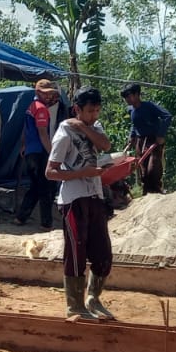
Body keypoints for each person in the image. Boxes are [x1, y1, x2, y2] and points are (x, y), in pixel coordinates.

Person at [46, 86, 115, 321]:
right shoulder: (64, 132)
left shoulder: (93, 127)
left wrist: (85, 127)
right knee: (76, 251)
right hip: (73, 199)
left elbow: (105, 145)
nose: (94, 115)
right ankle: (74, 305)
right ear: (77, 109)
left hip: (95, 195)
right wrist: (81, 173)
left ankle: (93, 299)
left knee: (103, 253)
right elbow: (50, 172)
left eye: (97, 111)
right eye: (89, 111)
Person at [15, 75, 65, 229]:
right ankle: (46, 223)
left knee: (36, 187)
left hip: (31, 152)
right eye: (46, 92)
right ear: (38, 92)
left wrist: (23, 145)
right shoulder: (42, 109)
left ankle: (21, 217)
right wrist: (52, 154)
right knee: (46, 188)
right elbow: (43, 133)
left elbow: (25, 130)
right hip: (39, 153)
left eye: (50, 92)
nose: (49, 95)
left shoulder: (31, 107)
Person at [120, 83, 171, 197]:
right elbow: (135, 125)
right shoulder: (131, 110)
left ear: (137, 95)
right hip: (140, 141)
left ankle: (156, 190)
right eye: (125, 97)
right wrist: (131, 137)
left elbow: (167, 116)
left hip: (153, 140)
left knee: (153, 167)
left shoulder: (149, 106)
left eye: (128, 96)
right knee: (143, 169)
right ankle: (147, 192)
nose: (126, 99)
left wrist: (161, 135)